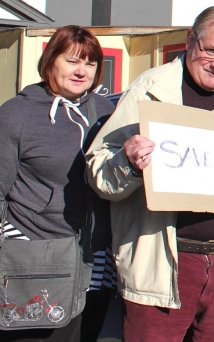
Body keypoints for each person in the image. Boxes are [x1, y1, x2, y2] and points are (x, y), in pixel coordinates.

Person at [87, 6, 214, 341]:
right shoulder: (151, 88)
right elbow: (98, 170)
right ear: (190, 40)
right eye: (211, 51)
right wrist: (128, 162)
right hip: (167, 260)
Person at [0, 26, 115, 342]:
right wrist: (12, 241)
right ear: (50, 60)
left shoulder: (106, 112)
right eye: (72, 61)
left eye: (90, 63)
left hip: (95, 255)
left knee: (87, 333)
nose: (82, 71)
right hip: (37, 255)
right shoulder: (17, 114)